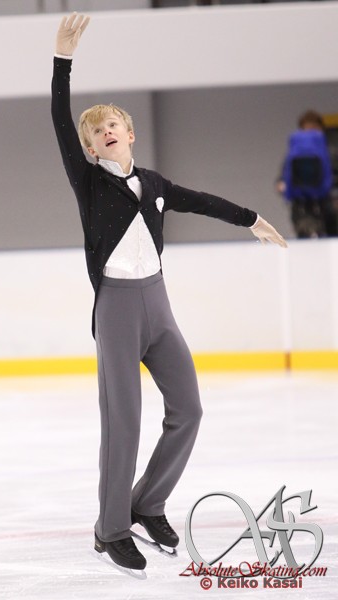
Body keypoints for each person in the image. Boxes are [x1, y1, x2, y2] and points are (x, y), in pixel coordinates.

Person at [51, 12, 287, 572]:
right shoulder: (88, 182)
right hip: (116, 308)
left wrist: (251, 219)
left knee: (189, 409)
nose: (106, 131)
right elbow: (59, 120)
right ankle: (110, 529)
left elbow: (201, 201)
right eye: (96, 131)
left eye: (113, 124)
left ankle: (146, 504)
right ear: (90, 148)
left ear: (130, 134)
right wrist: (63, 60)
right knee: (124, 423)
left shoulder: (155, 184)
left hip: (158, 305)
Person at [275, 110, 335, 238]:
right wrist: (281, 184)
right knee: (306, 236)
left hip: (328, 203)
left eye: (314, 129)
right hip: (301, 205)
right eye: (306, 130)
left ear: (321, 128)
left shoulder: (331, 149)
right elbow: (284, 175)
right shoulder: (296, 154)